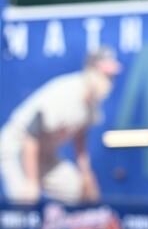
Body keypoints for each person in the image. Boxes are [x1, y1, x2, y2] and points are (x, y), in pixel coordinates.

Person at [0, 47, 122, 204]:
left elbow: (80, 137)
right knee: (25, 203)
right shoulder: (65, 93)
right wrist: (31, 182)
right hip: (16, 150)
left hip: (44, 155)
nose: (108, 80)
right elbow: (30, 137)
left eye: (111, 76)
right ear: (90, 71)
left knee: (79, 191)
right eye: (105, 75)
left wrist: (86, 175)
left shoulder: (92, 101)